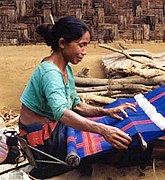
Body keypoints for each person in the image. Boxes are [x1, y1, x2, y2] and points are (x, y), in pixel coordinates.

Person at [18, 16, 136, 178]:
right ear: (62, 43)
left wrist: (105, 111)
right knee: (107, 141)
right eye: (81, 45)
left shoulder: (65, 69)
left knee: (113, 128)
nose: (84, 52)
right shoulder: (50, 73)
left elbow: (76, 105)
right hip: (42, 143)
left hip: (55, 130)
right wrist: (103, 130)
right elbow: (63, 113)